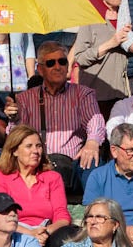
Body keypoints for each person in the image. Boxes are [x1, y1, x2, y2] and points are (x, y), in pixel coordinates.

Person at [14, 42, 107, 193]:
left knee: (93, 161)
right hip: (39, 163)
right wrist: (13, 117)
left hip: (74, 163)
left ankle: (95, 212)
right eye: (51, 63)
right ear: (40, 69)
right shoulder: (26, 99)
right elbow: (16, 135)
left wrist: (92, 142)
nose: (58, 67)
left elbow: (94, 120)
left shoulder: (83, 93)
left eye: (62, 61)